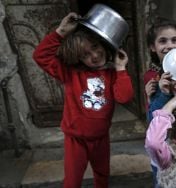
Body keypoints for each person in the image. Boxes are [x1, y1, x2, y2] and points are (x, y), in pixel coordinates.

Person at [33, 12, 134, 188]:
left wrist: (120, 68)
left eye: (95, 47)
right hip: (75, 140)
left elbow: (124, 97)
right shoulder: (70, 74)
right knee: (72, 181)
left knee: (102, 174)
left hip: (101, 138)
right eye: (86, 54)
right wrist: (61, 31)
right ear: (78, 58)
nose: (94, 55)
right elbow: (40, 56)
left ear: (103, 44)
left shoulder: (112, 73)